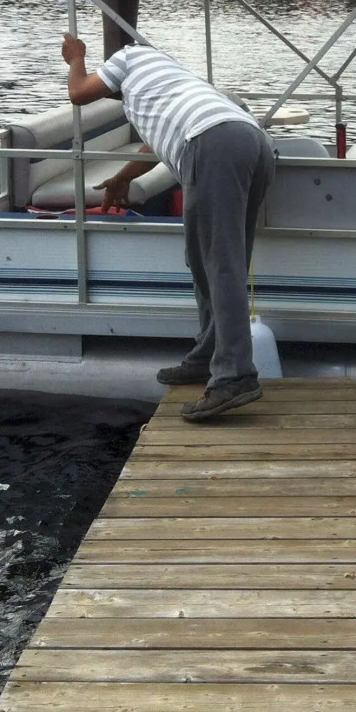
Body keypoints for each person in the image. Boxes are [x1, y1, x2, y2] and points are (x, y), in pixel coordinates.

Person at [61, 33, 276, 422]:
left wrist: (76, 58)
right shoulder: (167, 77)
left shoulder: (127, 58)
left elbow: (78, 93)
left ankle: (235, 377)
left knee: (219, 264)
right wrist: (123, 177)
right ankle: (208, 355)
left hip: (213, 147)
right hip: (250, 141)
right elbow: (152, 147)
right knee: (206, 261)